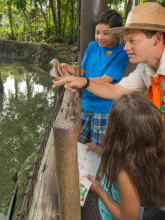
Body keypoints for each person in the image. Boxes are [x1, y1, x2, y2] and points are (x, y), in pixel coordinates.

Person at [52, 2, 165, 115]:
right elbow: (115, 90)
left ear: (157, 38)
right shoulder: (144, 70)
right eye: (126, 41)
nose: (125, 48)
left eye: (132, 41)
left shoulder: (121, 55)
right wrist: (82, 81)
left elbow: (107, 82)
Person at [87, 92, 165, 220]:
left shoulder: (125, 175)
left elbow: (129, 218)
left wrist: (98, 189)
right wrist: (100, 151)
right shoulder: (148, 152)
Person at [60, 10, 128, 148]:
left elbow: (105, 80)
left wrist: (82, 82)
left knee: (99, 146)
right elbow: (83, 71)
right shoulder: (92, 46)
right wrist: (70, 69)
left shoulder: (121, 54)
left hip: (103, 108)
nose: (100, 37)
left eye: (106, 33)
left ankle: (99, 170)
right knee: (81, 142)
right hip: (86, 104)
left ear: (117, 33)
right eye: (97, 32)